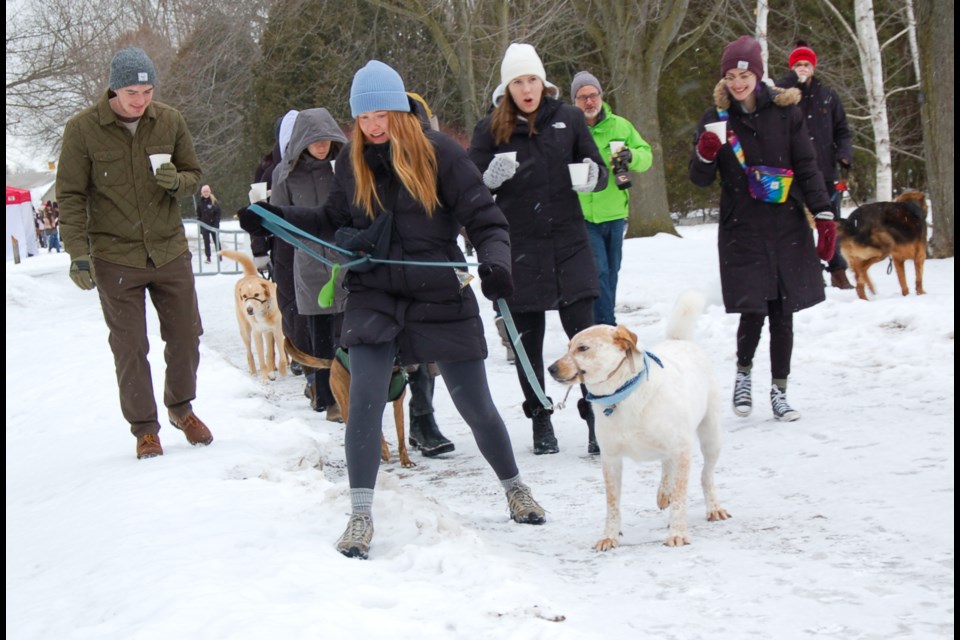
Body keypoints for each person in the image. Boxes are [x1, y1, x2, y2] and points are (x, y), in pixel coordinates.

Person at [240, 60, 546, 559]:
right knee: (362, 399)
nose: (374, 125)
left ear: (400, 109)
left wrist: (495, 263)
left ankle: (514, 488)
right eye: (364, 117)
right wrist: (274, 216)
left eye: (382, 113)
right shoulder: (351, 161)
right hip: (374, 290)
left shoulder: (439, 152)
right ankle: (360, 514)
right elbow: (331, 218)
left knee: (475, 404)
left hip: (439, 288)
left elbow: (486, 220)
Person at [56, 46, 213, 459]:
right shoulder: (82, 130)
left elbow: (194, 174)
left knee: (186, 335)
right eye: (131, 91)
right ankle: (145, 429)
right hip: (114, 255)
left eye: (146, 90)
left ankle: (181, 408)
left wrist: (176, 182)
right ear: (113, 88)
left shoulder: (170, 120)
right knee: (129, 347)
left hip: (168, 250)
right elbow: (70, 196)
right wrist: (78, 253)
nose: (140, 100)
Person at [689, 36, 836, 423]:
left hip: (785, 222)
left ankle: (779, 390)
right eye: (731, 76)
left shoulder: (787, 112)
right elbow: (700, 179)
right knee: (753, 307)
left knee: (784, 310)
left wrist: (823, 213)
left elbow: (806, 164)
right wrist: (705, 153)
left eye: (745, 74)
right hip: (742, 225)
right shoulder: (716, 118)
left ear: (758, 74)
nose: (738, 83)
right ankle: (743, 374)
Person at [469, 42, 607, 455]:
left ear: (542, 82)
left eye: (531, 79)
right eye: (517, 82)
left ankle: (594, 419)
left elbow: (598, 171)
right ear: (506, 88)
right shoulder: (489, 130)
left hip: (568, 244)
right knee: (526, 344)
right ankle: (540, 419)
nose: (526, 89)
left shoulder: (569, 119)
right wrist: (489, 180)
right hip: (519, 248)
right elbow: (468, 187)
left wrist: (592, 177)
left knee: (583, 340)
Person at [270, 107, 348, 418]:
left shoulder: (343, 168)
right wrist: (303, 241)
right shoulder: (285, 175)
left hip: (345, 261)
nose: (320, 145)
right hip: (310, 265)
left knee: (348, 331)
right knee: (321, 334)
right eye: (314, 140)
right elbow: (280, 219)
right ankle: (326, 395)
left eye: (325, 139)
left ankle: (348, 391)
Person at [571, 70, 653, 327]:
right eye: (582, 97)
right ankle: (607, 326)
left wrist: (631, 156)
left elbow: (646, 155)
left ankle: (599, 323)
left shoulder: (620, 125)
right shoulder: (570, 128)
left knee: (611, 273)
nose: (589, 102)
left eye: (593, 95)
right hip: (585, 214)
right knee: (599, 272)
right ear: (574, 101)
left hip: (616, 213)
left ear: (601, 96)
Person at [776, 41, 855, 290]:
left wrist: (844, 153)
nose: (802, 68)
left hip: (824, 170)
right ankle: (809, 272)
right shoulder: (781, 93)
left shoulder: (828, 96)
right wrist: (792, 84)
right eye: (798, 64)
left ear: (814, 67)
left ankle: (837, 270)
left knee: (829, 221)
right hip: (790, 171)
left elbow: (842, 130)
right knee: (797, 224)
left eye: (806, 64)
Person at [198, 184, 221, 263]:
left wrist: (216, 225)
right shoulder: (200, 202)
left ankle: (220, 256)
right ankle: (208, 257)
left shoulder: (214, 201)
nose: (206, 193)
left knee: (216, 241)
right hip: (204, 225)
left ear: (210, 191)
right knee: (206, 242)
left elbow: (218, 214)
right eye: (204, 191)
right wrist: (201, 228)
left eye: (207, 191)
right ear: (202, 193)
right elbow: (198, 216)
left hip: (214, 225)